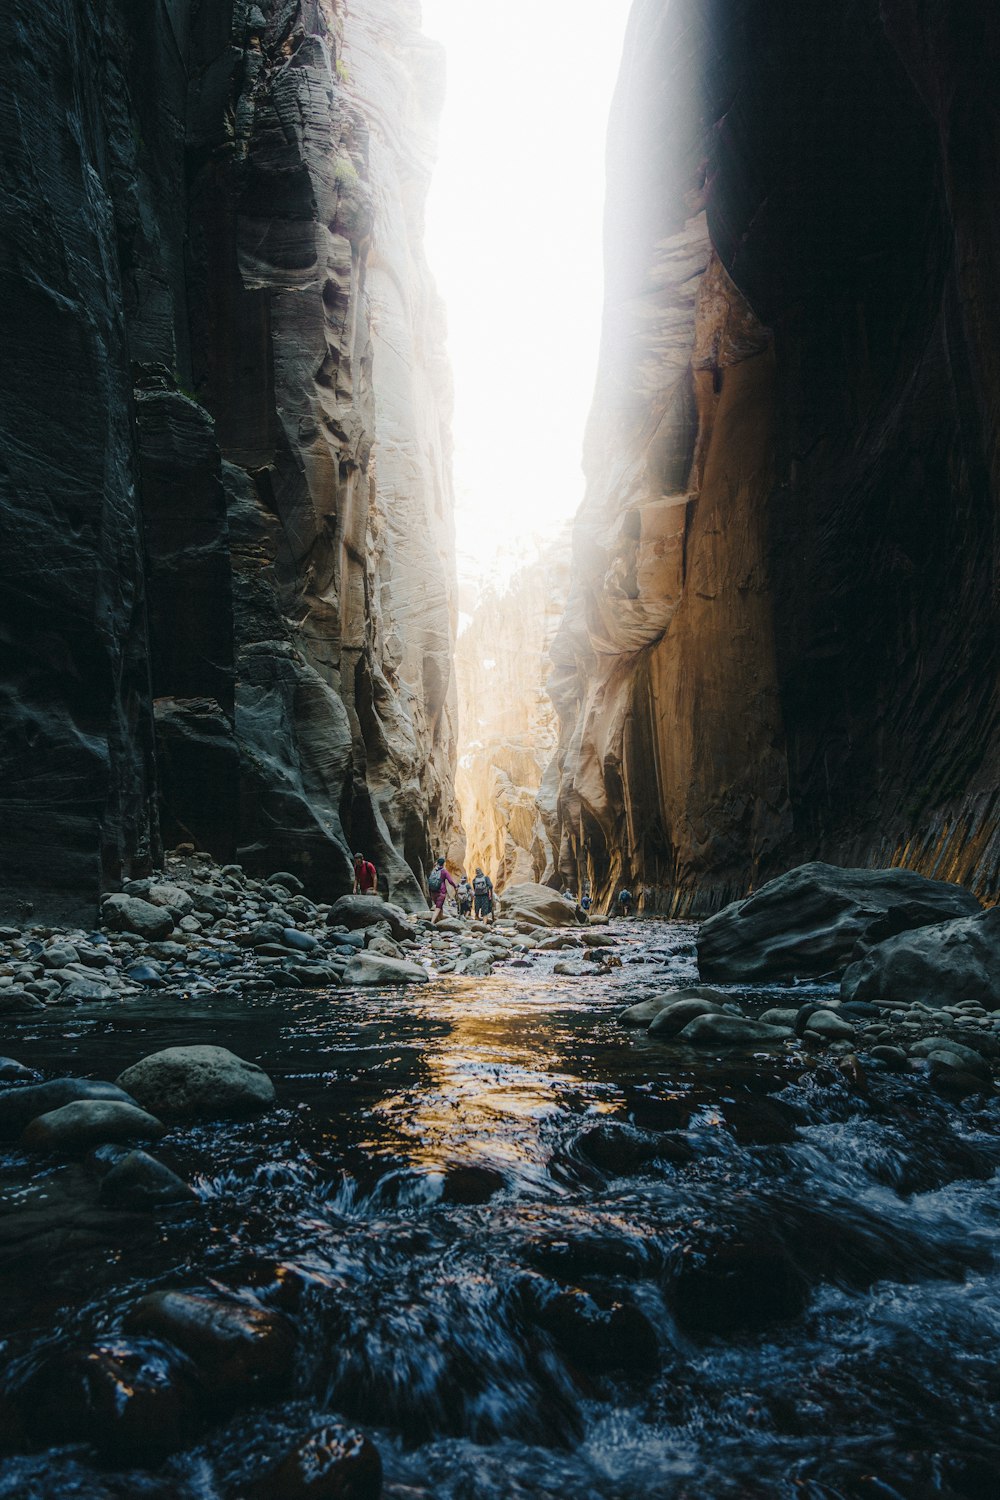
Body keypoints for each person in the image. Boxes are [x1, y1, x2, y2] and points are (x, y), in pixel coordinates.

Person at [428, 856, 457, 923]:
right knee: (438, 908)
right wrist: (455, 887)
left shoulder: (434, 871)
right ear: (444, 863)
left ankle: (440, 921)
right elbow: (450, 881)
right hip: (441, 892)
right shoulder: (444, 871)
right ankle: (432, 922)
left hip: (433, 892)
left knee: (440, 907)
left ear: (437, 863)